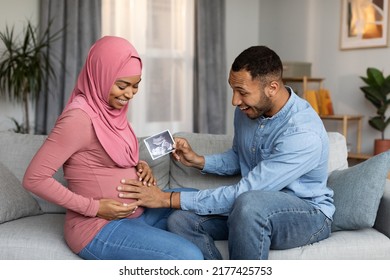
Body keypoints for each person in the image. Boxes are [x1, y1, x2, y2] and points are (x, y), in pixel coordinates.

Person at [117, 45, 335, 260]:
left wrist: (167, 198)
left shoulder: (303, 132)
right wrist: (198, 161)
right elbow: (240, 156)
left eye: (242, 92)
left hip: (307, 214)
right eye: (233, 90)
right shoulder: (248, 111)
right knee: (180, 221)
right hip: (249, 209)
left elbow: (246, 192)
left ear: (272, 87)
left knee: (250, 205)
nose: (235, 101)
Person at [22, 36, 203, 260]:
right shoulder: (77, 119)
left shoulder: (112, 111)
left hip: (139, 213)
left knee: (200, 201)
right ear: (101, 76)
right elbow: (34, 178)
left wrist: (139, 165)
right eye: (122, 85)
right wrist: (94, 208)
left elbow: (111, 154)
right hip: (99, 227)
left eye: (136, 85)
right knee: (188, 256)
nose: (129, 94)